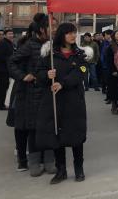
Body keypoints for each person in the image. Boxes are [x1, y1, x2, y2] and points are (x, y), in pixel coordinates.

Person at [35, 23, 88, 184]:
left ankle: (79, 169)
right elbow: (38, 73)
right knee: (57, 135)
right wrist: (47, 75)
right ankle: (61, 170)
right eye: (69, 33)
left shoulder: (79, 54)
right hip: (55, 100)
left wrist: (63, 83)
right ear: (61, 35)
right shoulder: (50, 54)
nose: (73, 36)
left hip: (74, 100)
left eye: (74, 33)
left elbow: (82, 72)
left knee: (76, 135)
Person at [8, 14, 55, 175]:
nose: (53, 29)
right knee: (32, 128)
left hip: (49, 91)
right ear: (42, 29)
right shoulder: (30, 45)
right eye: (51, 27)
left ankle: (48, 160)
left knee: (48, 126)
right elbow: (12, 62)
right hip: (31, 93)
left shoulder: (52, 45)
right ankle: (32, 161)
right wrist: (23, 76)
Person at [0, 29, 15, 110]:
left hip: (5, 68)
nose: (11, 35)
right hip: (2, 69)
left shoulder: (9, 43)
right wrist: (10, 59)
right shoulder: (3, 43)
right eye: (9, 34)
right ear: (5, 35)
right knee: (2, 87)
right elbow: (0, 56)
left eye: (12, 34)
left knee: (3, 86)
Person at [100, 30, 112, 101]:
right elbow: (102, 53)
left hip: (110, 65)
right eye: (106, 35)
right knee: (105, 79)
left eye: (108, 35)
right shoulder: (103, 43)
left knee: (109, 81)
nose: (106, 36)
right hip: (104, 64)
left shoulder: (112, 43)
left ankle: (110, 97)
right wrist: (102, 61)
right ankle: (107, 94)